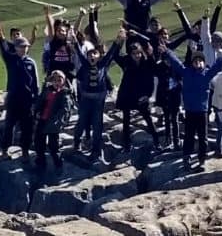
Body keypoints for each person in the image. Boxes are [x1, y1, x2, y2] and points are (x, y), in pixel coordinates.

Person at [163, 47, 222, 173]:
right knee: (188, 136)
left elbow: (217, 66)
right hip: (190, 111)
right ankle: (186, 158)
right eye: (195, 61)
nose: (198, 63)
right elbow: (176, 62)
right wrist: (167, 52)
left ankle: (202, 160)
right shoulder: (186, 72)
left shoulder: (207, 73)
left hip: (202, 112)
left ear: (204, 63)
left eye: (200, 61)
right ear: (192, 63)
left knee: (203, 137)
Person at [71, 28, 120, 161]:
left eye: (95, 54)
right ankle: (76, 144)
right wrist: (74, 39)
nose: (92, 56)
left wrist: (118, 39)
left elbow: (111, 53)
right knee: (81, 122)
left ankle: (96, 150)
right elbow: (77, 51)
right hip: (86, 98)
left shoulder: (103, 64)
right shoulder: (85, 64)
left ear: (99, 56)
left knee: (97, 124)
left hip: (98, 99)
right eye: (90, 55)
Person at [0, 21, 40, 162]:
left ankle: (25, 151)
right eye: (20, 46)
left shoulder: (31, 62)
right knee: (9, 126)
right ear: (16, 47)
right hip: (13, 98)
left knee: (27, 127)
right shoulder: (11, 59)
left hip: (27, 100)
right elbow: (2, 46)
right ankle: (4, 150)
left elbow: (36, 83)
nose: (23, 49)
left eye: (25, 46)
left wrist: (36, 100)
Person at [115, 35, 161, 153]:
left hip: (141, 96)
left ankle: (157, 142)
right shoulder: (126, 62)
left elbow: (154, 66)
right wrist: (120, 41)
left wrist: (149, 95)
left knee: (148, 118)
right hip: (127, 95)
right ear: (130, 54)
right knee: (126, 120)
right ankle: (126, 144)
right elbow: (115, 55)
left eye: (139, 53)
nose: (137, 56)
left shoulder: (146, 62)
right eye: (134, 53)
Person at [33, 70, 73, 171]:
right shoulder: (47, 90)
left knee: (54, 146)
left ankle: (58, 165)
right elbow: (40, 101)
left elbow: (65, 110)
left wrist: (59, 121)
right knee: (38, 142)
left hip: (54, 123)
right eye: (54, 80)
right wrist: (36, 111)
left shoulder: (65, 94)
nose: (56, 83)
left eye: (59, 80)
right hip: (43, 119)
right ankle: (41, 162)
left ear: (63, 81)